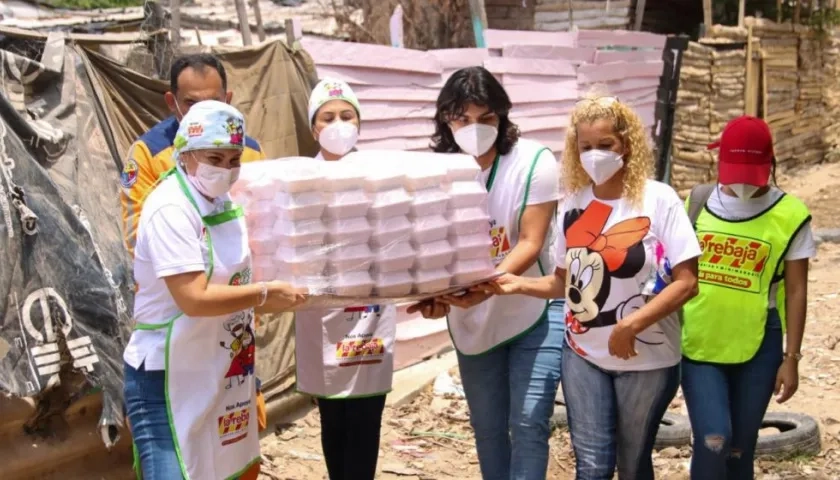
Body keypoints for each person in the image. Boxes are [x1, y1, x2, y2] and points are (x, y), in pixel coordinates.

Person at [477, 94, 701, 480]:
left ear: (626, 144)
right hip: (582, 354)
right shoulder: (574, 204)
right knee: (592, 467)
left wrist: (632, 324)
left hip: (646, 360)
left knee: (632, 465)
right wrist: (517, 285)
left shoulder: (658, 199)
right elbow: (564, 282)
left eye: (605, 144)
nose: (594, 154)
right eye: (586, 147)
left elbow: (687, 282)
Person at [122, 100, 306, 480]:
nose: (225, 169)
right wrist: (265, 295)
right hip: (167, 375)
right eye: (214, 158)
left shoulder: (225, 203)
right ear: (186, 153)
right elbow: (193, 298)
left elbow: (234, 280)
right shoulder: (170, 208)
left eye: (233, 160)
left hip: (217, 367)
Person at [408, 66, 564, 480]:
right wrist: (433, 297)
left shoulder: (533, 162)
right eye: (462, 119)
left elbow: (530, 242)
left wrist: (484, 286)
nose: (474, 128)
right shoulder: (436, 172)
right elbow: (432, 249)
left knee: (528, 423)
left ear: (502, 115)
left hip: (532, 309)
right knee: (488, 429)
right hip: (472, 319)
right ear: (445, 119)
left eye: (486, 118)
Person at [119, 53, 270, 433]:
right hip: (177, 328)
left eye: (214, 101)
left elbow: (263, 229)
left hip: (232, 330)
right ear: (172, 103)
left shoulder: (250, 151)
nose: (226, 166)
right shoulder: (151, 154)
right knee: (177, 446)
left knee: (230, 446)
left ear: (229, 99)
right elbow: (139, 237)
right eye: (191, 103)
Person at [680, 116, 813, 480]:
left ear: (770, 163)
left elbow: (797, 290)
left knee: (740, 449)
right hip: (700, 340)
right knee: (714, 439)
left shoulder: (791, 215)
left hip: (760, 342)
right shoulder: (698, 201)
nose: (740, 182)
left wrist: (791, 358)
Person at [293, 78, 395, 480]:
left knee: (367, 416)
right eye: (328, 116)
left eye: (347, 116)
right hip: (321, 313)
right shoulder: (300, 178)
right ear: (313, 127)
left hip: (370, 313)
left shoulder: (379, 175)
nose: (338, 124)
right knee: (333, 419)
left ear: (359, 123)